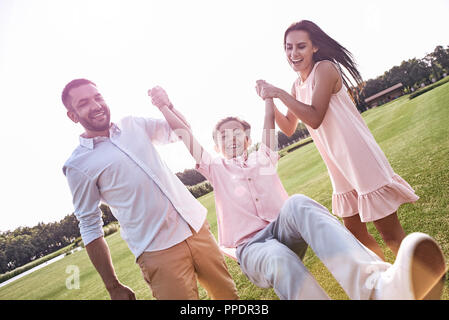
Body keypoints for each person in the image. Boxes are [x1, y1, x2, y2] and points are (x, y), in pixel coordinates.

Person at [148, 85, 446, 300]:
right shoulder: (215, 168)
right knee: (278, 257)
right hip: (253, 249)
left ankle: (376, 290)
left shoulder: (262, 160)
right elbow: (186, 136)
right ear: (216, 147)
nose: (232, 138)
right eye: (223, 136)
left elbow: (268, 126)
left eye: (237, 132)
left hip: (285, 230)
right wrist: (165, 106)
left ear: (248, 137)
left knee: (299, 203)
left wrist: (268, 100)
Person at [254, 20, 419, 261]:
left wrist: (278, 93)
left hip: (358, 157)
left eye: (301, 46)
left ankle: (427, 282)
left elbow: (314, 117)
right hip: (338, 166)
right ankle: (384, 281)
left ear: (315, 48)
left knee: (391, 235)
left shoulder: (325, 68)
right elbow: (289, 127)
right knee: (355, 235)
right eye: (288, 47)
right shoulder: (296, 85)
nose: (293, 53)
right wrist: (268, 98)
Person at [61, 79, 238, 300]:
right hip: (157, 251)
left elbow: (180, 132)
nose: (96, 105)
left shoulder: (132, 124)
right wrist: (113, 286)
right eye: (84, 103)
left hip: (197, 229)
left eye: (98, 97)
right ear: (73, 115)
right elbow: (89, 225)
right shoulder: (78, 165)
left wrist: (168, 105)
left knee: (228, 298)